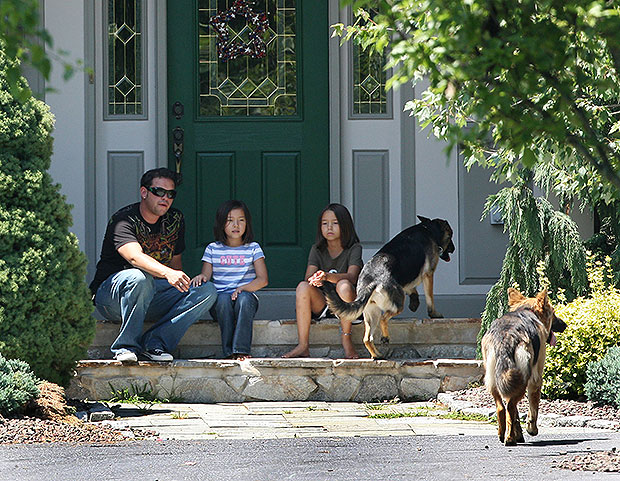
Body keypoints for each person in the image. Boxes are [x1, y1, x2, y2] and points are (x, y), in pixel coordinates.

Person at [89, 167, 217, 363]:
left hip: (152, 294)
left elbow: (176, 263)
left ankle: (155, 344)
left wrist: (178, 282)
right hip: (112, 298)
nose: (165, 198)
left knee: (206, 291)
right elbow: (134, 258)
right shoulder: (123, 219)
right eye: (159, 192)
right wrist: (168, 273)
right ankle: (125, 347)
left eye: (170, 194)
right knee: (138, 277)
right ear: (144, 192)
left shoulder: (175, 219)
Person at [282, 203, 363, 359]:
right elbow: (308, 277)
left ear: (345, 225)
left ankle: (346, 339)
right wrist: (316, 278)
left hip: (348, 305)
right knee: (302, 287)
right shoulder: (317, 249)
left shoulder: (354, 248)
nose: (329, 228)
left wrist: (327, 277)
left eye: (335, 223)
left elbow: (353, 276)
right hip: (324, 305)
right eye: (324, 224)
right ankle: (303, 345)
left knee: (344, 285)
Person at [191, 200, 268, 360]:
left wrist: (243, 288)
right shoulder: (213, 248)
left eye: (241, 220)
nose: (236, 225)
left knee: (245, 299)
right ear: (221, 224)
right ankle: (228, 352)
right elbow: (206, 275)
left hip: (245, 300)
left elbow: (263, 279)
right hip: (221, 304)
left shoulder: (253, 248)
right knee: (224, 299)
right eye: (230, 220)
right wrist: (201, 277)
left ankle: (241, 350)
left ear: (247, 223)